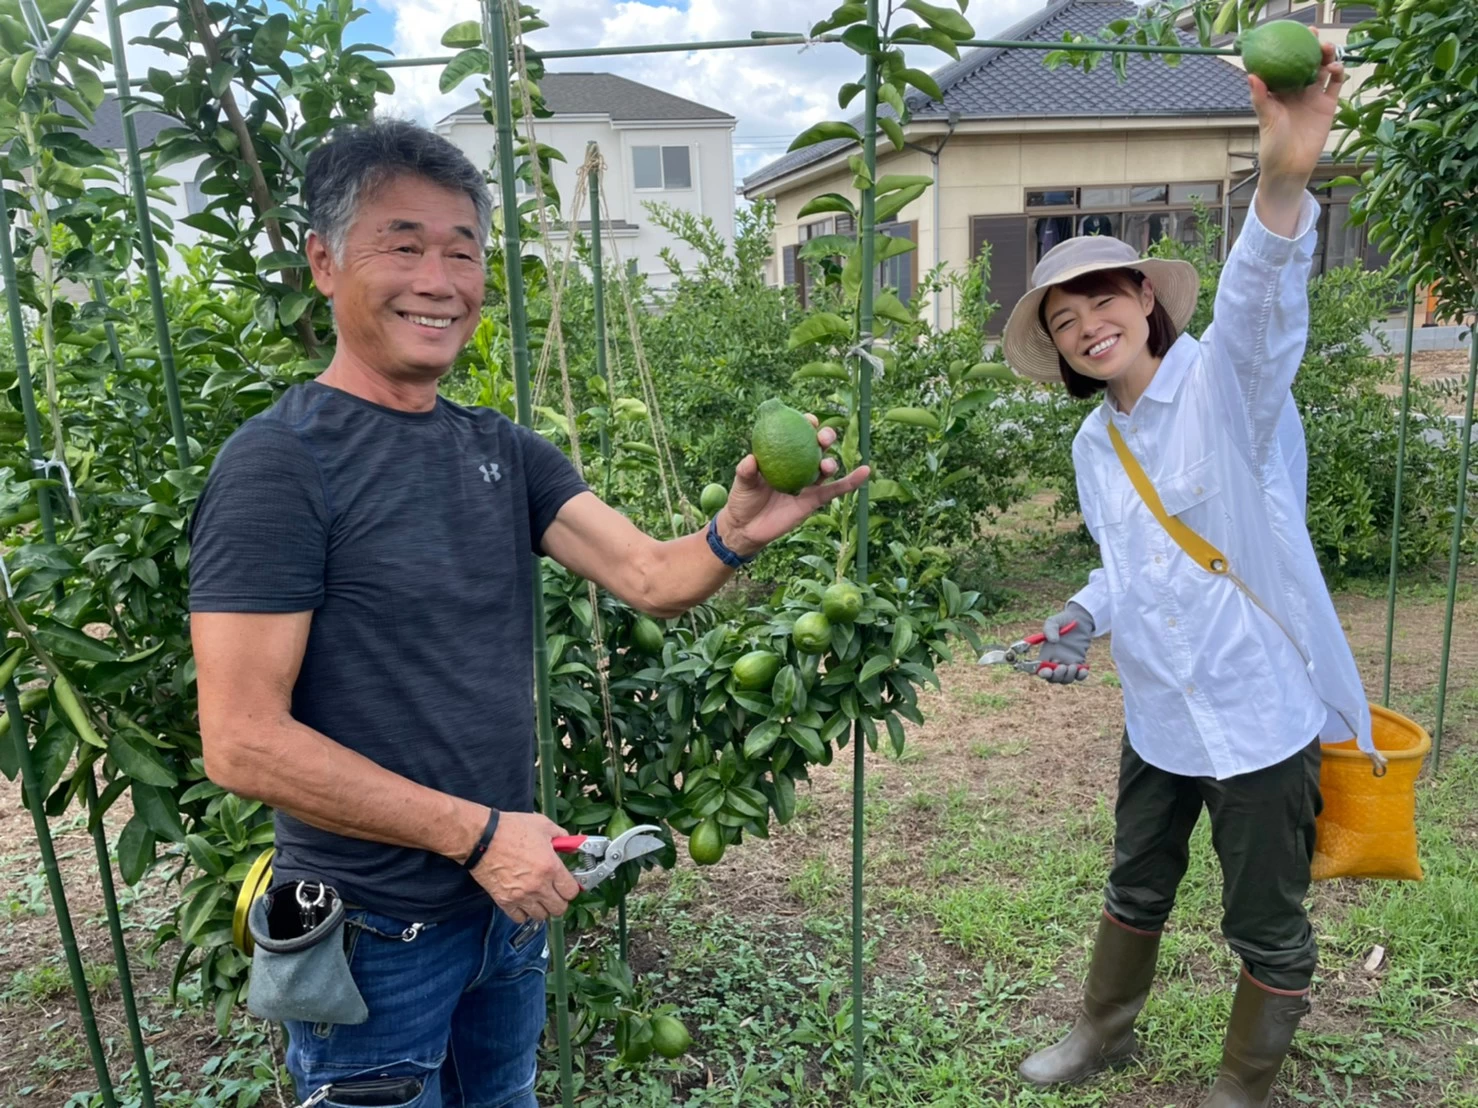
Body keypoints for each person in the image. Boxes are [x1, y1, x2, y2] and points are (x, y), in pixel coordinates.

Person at [186, 119, 868, 1108]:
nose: (439, 279)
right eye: (403, 246)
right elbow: (242, 741)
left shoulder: (499, 450)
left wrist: (735, 530)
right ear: (324, 263)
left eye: (462, 251)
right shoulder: (280, 466)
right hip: (378, 935)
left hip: (502, 912)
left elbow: (648, 575)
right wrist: (477, 837)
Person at [997, 34, 1374, 1108]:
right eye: (1065, 321)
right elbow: (1128, 566)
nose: (1089, 326)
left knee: (1264, 915)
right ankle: (1101, 1031)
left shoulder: (1224, 389)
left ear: (1146, 299)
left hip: (1255, 712)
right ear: (1059, 351)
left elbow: (1259, 312)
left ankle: (1242, 1085)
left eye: (1103, 300)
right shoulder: (1093, 446)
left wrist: (1282, 179)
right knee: (1135, 881)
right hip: (1160, 711)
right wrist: (1079, 614)